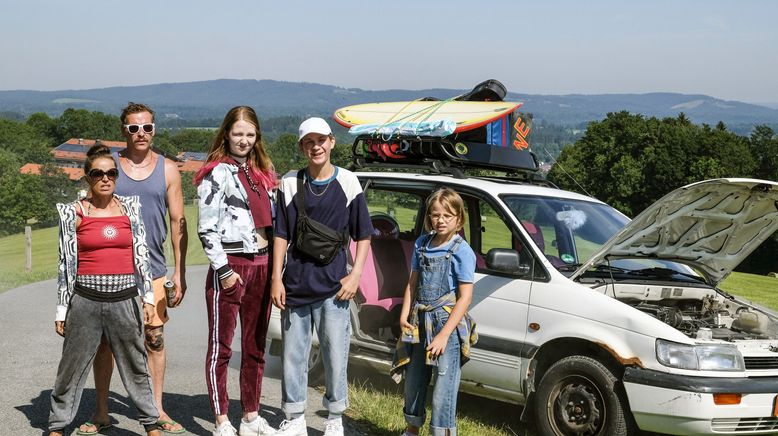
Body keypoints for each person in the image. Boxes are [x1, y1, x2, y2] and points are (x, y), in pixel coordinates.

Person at [80, 102, 188, 435]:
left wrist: (179, 272)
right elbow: (90, 211)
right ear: (123, 131)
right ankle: (101, 411)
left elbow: (178, 221)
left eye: (147, 127)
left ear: (154, 129)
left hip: (153, 270)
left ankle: (156, 410)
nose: (141, 134)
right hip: (111, 271)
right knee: (105, 343)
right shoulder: (110, 168)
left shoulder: (168, 169)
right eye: (133, 128)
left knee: (154, 339)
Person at [49, 145, 161, 436]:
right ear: (87, 177)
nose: (105, 178)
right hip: (85, 300)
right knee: (70, 367)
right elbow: (65, 264)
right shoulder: (73, 212)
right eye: (98, 173)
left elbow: (141, 256)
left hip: (125, 299)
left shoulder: (131, 208)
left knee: (136, 364)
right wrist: (62, 309)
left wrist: (147, 297)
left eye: (111, 172)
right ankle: (58, 425)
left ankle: (150, 423)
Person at [271, 117, 373, 436]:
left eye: (321, 140)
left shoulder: (349, 182)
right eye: (308, 142)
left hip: (334, 287)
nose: (315, 147)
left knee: (335, 354)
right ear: (302, 147)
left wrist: (355, 275)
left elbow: (364, 234)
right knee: (293, 355)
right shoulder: (290, 182)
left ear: (332, 142)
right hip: (295, 284)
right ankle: (295, 417)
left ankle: (334, 418)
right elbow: (281, 234)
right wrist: (276, 277)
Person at [194, 106, 277, 436]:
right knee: (222, 347)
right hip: (231, 267)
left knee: (256, 346)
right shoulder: (216, 174)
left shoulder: (263, 174)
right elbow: (206, 229)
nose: (244, 140)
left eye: (250, 134)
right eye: (238, 133)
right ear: (226, 134)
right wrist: (224, 271)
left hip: (263, 264)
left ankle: (251, 417)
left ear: (257, 137)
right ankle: (222, 420)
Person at [393, 188, 477, 436]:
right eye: (435, 215)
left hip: (446, 326)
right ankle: (411, 429)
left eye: (447, 216)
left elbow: (465, 298)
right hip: (420, 321)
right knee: (414, 381)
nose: (440, 221)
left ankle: (441, 432)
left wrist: (443, 336)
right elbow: (412, 283)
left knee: (443, 388)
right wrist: (404, 314)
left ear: (459, 219)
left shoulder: (461, 251)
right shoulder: (422, 244)